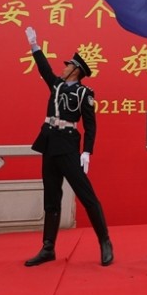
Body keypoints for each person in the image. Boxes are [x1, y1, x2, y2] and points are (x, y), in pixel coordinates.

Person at [23, 26, 113, 268]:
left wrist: (87, 151)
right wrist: (35, 46)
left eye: (67, 65)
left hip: (68, 146)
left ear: (76, 71)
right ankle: (48, 247)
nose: (63, 68)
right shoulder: (57, 85)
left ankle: (104, 241)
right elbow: (44, 69)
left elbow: (91, 126)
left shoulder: (85, 93)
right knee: (51, 198)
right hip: (49, 143)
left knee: (86, 195)